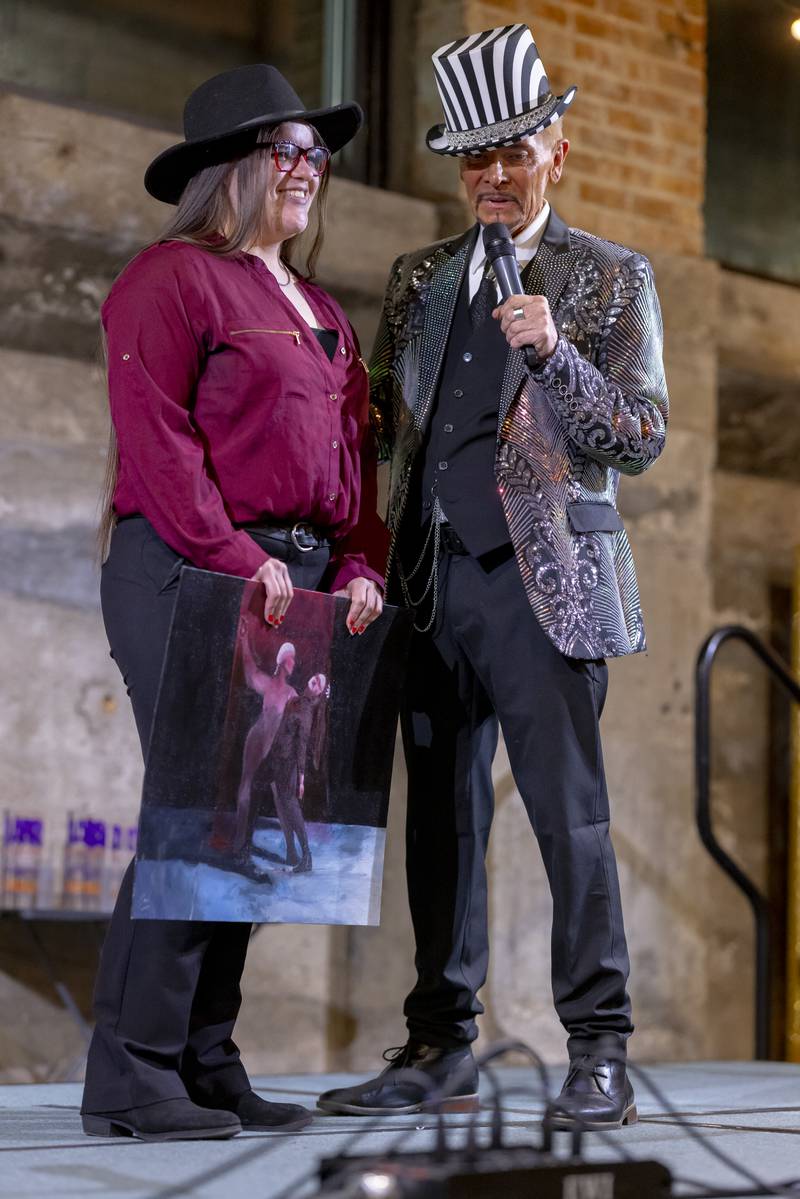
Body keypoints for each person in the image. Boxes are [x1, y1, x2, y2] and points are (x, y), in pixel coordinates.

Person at [318, 24, 668, 1129]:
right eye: (473, 156)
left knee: (568, 819)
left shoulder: (609, 275)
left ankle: (598, 1047)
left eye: (511, 151)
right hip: (430, 583)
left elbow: (641, 433)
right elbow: (380, 418)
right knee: (442, 825)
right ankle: (436, 1040)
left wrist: (553, 349)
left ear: (553, 152)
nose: (491, 174)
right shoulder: (417, 276)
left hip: (544, 584)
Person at [81, 63, 386, 1143]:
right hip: (186, 566)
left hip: (295, 581)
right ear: (232, 169)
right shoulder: (170, 279)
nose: (308, 170)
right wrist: (223, 553)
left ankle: (204, 1058)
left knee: (258, 826)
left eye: (317, 154)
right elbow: (158, 436)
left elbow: (352, 461)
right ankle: (132, 1068)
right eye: (286, 152)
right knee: (199, 821)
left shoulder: (318, 310)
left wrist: (358, 563)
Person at [265, 672, 329, 873]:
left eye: (320, 683)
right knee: (282, 804)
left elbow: (302, 744)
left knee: (290, 806)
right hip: (277, 759)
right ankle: (292, 852)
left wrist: (301, 778)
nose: (316, 680)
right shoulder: (297, 700)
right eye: (316, 677)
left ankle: (306, 856)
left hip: (288, 764)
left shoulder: (307, 709)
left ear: (318, 693)